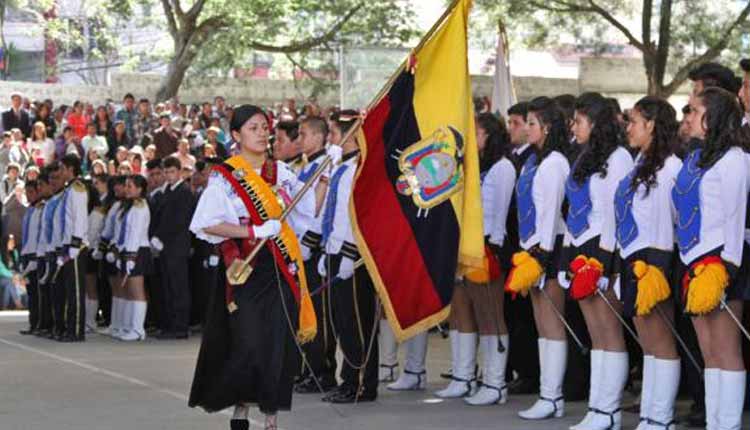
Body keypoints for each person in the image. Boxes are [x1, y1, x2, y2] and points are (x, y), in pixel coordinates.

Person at [188, 104, 317, 430]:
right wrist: (254, 231)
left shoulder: (282, 174)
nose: (261, 133)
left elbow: (309, 211)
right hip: (245, 269)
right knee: (247, 342)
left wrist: (325, 171)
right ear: (236, 135)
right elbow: (207, 223)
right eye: (253, 128)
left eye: (264, 127)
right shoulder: (227, 176)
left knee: (276, 341)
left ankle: (271, 417)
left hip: (279, 269)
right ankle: (241, 407)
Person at [674, 86, 749, 430]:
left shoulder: (735, 158)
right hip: (694, 257)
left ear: (712, 115)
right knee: (708, 351)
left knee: (726, 349)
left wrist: (728, 268)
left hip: (723, 259)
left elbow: (735, 217)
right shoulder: (695, 156)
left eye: (692, 110)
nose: (686, 117)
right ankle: (716, 422)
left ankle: (728, 425)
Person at [562, 93, 633, 430]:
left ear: (595, 122)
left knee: (609, 331)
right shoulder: (585, 155)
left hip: (605, 250)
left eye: (578, 120)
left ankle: (609, 411)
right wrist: (569, 255)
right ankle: (597, 407)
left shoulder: (618, 157)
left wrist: (602, 261)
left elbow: (614, 214)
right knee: (595, 334)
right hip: (581, 246)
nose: (573, 127)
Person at [435, 112, 516, 406]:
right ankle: (463, 375)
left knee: (490, 314)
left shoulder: (503, 167)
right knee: (462, 311)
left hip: (489, 248)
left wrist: (490, 249)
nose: (474, 139)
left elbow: (500, 212)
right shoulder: (476, 166)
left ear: (491, 135)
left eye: (479, 133)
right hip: (467, 244)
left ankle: (496, 383)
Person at [615, 96, 683, 430]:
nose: (628, 127)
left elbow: (671, 219)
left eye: (633, 121)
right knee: (647, 342)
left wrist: (657, 265)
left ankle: (661, 415)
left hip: (656, 257)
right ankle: (650, 414)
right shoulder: (639, 162)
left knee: (661, 340)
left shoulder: (670, 166)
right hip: (632, 256)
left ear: (651, 125)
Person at [504, 96, 570, 420]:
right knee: (541, 325)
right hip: (533, 248)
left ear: (547, 127)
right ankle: (548, 394)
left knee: (552, 324)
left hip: (550, 248)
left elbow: (551, 212)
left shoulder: (556, 161)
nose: (527, 128)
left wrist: (542, 255)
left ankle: (553, 395)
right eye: (526, 122)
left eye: (532, 123)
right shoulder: (533, 161)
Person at [315, 110, 379, 404]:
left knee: (357, 322)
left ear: (352, 136)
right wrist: (327, 247)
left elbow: (358, 216)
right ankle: (348, 380)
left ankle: (361, 383)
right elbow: (333, 211)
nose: (330, 139)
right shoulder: (342, 168)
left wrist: (347, 252)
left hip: (351, 257)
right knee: (342, 322)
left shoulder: (359, 169)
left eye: (335, 134)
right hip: (335, 250)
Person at [293, 116, 339, 394]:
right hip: (298, 245)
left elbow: (319, 209)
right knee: (305, 313)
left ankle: (323, 371)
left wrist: (309, 241)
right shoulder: (306, 166)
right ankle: (309, 368)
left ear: (321, 137)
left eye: (304, 134)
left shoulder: (325, 166)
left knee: (318, 315)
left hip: (313, 247)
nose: (300, 140)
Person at [501, 102, 542, 396]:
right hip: (515, 245)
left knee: (527, 316)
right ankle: (516, 368)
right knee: (513, 314)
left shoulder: (536, 159)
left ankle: (530, 372)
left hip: (526, 244)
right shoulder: (517, 157)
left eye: (521, 122)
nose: (516, 129)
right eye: (515, 123)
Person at [151, 156, 195, 339]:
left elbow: (179, 221)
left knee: (178, 287)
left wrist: (160, 237)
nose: (169, 175)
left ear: (179, 172)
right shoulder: (167, 191)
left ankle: (180, 326)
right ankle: (169, 324)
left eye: (172, 172)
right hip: (166, 247)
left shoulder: (184, 192)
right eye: (166, 172)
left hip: (177, 245)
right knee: (168, 286)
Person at [113, 175, 152, 341]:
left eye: (130, 186)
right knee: (128, 290)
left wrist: (130, 257)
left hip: (137, 251)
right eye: (126, 186)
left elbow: (135, 233)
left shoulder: (140, 206)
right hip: (127, 251)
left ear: (139, 189)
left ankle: (137, 330)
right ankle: (127, 326)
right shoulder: (128, 206)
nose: (127, 189)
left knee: (137, 290)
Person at [56, 154, 89, 342]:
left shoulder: (77, 189)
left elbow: (80, 219)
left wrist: (75, 244)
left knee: (76, 290)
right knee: (70, 289)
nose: (61, 172)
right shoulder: (70, 190)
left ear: (70, 169)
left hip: (76, 245)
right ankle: (71, 328)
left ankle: (76, 330)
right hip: (68, 244)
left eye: (62, 168)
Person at [19, 180, 42, 334]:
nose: (28, 195)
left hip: (35, 254)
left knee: (38, 292)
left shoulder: (41, 209)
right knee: (31, 292)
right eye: (26, 192)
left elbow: (39, 235)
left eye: (31, 192)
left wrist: (34, 258)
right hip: (27, 253)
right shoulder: (29, 210)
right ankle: (33, 323)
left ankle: (40, 323)